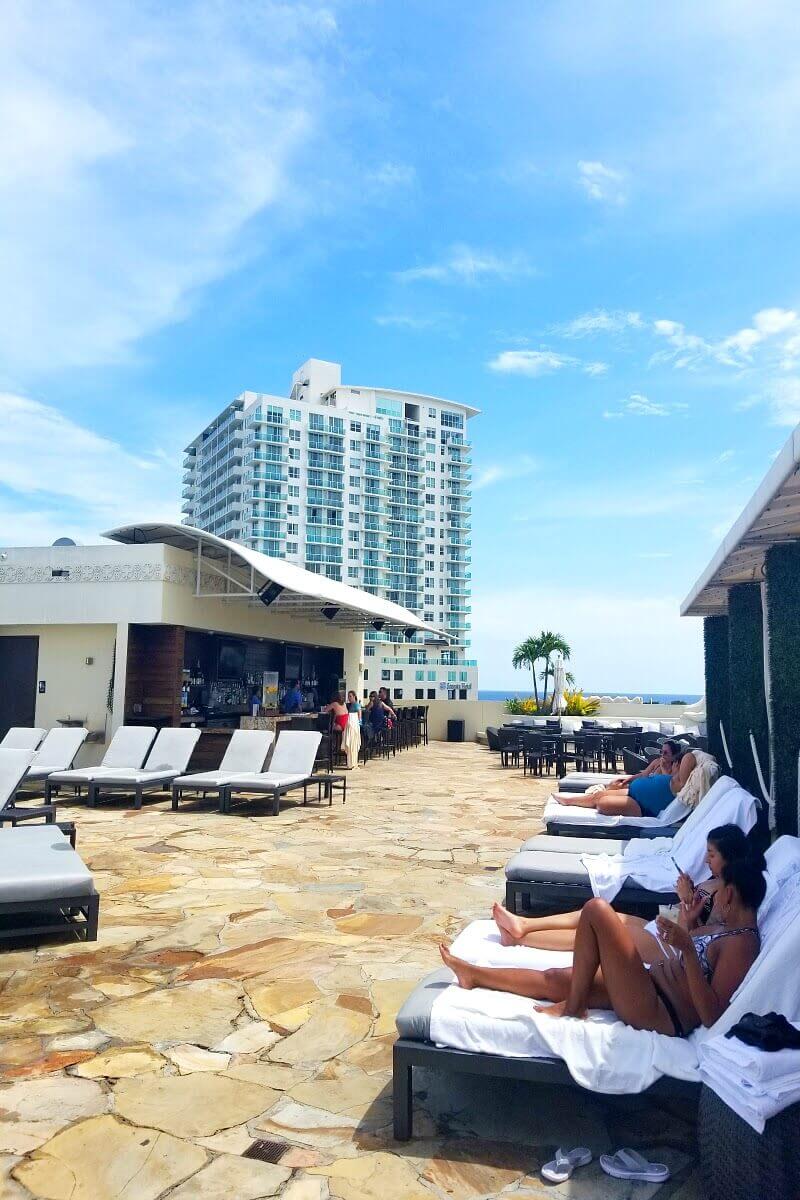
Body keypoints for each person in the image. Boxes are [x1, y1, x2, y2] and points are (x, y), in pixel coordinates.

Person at [440, 855, 765, 1038]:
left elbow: (712, 1016)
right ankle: (474, 975)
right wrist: (685, 925)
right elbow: (690, 951)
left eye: (718, 892)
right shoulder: (724, 927)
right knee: (556, 977)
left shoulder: (742, 944)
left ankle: (573, 1007)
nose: (715, 898)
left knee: (597, 910)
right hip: (648, 984)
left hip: (660, 1010)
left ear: (732, 894)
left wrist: (689, 951)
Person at [490, 825, 760, 961]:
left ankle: (518, 941)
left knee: (595, 933)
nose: (705, 860)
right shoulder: (716, 881)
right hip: (663, 930)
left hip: (670, 948)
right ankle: (524, 923)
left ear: (730, 857)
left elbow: (700, 939)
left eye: (711, 855)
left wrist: (686, 899)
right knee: (597, 910)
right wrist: (685, 897)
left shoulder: (731, 896)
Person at [557, 739, 696, 819]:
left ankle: (570, 801)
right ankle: (568, 801)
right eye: (661, 751)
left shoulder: (677, 783)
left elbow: (690, 756)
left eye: (666, 752)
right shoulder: (665, 772)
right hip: (634, 793)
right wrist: (628, 780)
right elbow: (643, 775)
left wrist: (676, 762)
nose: (662, 754)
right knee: (599, 795)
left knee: (602, 802)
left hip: (639, 806)